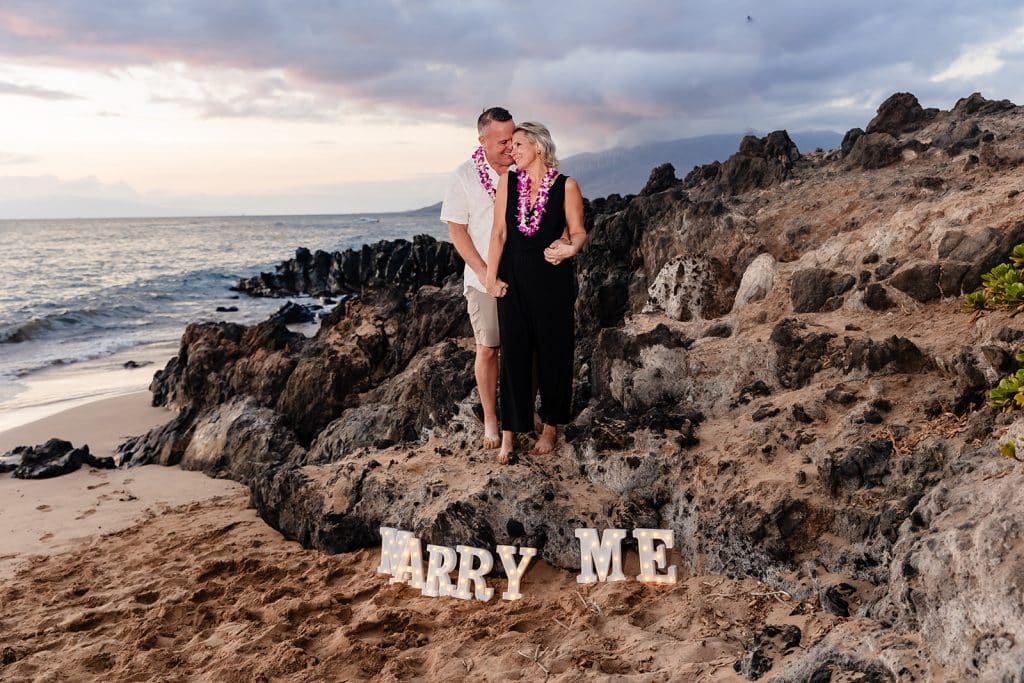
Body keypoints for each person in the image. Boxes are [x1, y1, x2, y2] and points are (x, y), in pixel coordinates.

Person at [485, 122, 587, 464]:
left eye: (518, 144)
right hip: (513, 280)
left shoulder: (566, 186)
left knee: (554, 352)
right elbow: (499, 233)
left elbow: (578, 232)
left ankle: (550, 427)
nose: (512, 150)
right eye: (510, 145)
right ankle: (511, 433)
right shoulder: (507, 183)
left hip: (552, 281)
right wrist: (490, 277)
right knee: (513, 355)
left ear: (539, 147)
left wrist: (570, 249)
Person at [441, 107, 515, 450]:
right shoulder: (464, 176)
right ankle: (490, 418)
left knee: (527, 349)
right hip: (482, 277)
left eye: (512, 137)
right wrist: (486, 274)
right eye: (501, 140)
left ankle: (522, 414)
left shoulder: (524, 166)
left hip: (524, 275)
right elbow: (458, 231)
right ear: (482, 139)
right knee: (488, 349)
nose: (509, 145)